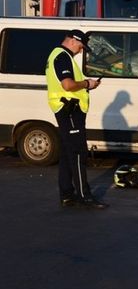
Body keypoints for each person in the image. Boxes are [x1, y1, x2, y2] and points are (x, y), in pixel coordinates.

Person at [45, 30, 108, 209]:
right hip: (70, 110)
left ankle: (67, 194)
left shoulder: (58, 55)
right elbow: (68, 84)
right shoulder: (62, 56)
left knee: (67, 153)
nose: (81, 51)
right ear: (73, 41)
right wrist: (87, 84)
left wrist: (87, 85)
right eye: (81, 47)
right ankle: (84, 196)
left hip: (67, 110)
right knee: (79, 153)